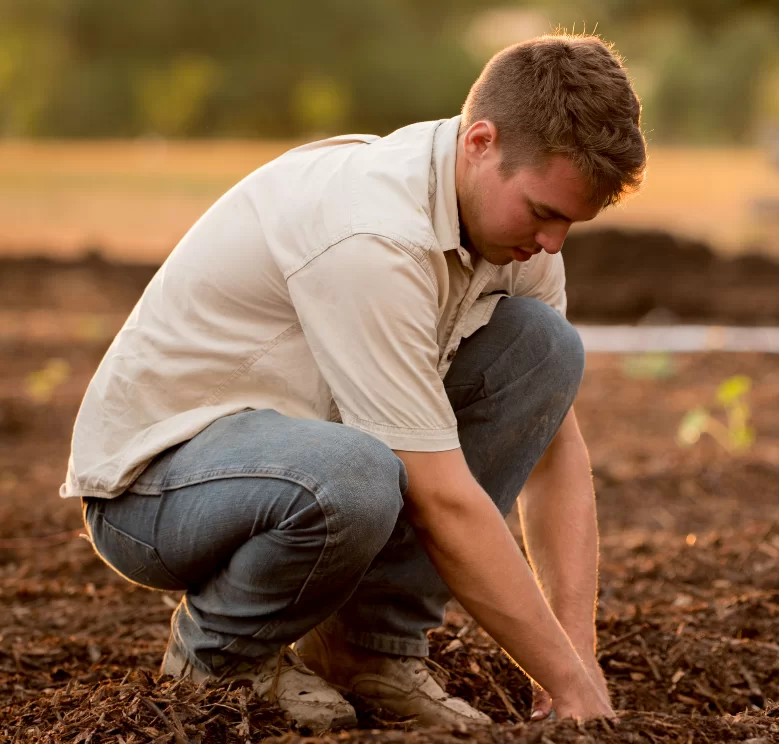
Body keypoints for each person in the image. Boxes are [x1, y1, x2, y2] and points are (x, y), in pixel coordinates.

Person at [61, 33, 645, 733]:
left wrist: (577, 659)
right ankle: (221, 659)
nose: (552, 244)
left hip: (302, 457)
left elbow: (552, 449)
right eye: (543, 212)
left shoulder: (513, 237)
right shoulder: (372, 234)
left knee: (543, 349)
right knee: (357, 473)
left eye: (569, 223)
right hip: (155, 490)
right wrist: (559, 678)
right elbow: (440, 499)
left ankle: (367, 651)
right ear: (480, 142)